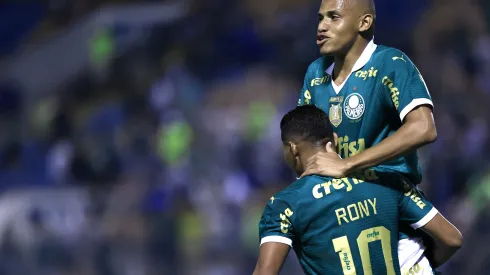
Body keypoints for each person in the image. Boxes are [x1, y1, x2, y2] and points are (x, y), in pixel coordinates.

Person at [297, 0, 439, 272]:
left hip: (396, 226)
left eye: (333, 17)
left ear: (364, 23)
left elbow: (424, 127)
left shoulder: (391, 63)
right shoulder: (315, 74)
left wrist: (349, 164)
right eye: (320, 18)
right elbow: (304, 145)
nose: (321, 26)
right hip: (343, 228)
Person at [253, 105, 462, 275]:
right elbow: (451, 239)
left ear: (292, 149)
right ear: (334, 140)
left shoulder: (285, 204)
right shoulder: (386, 180)